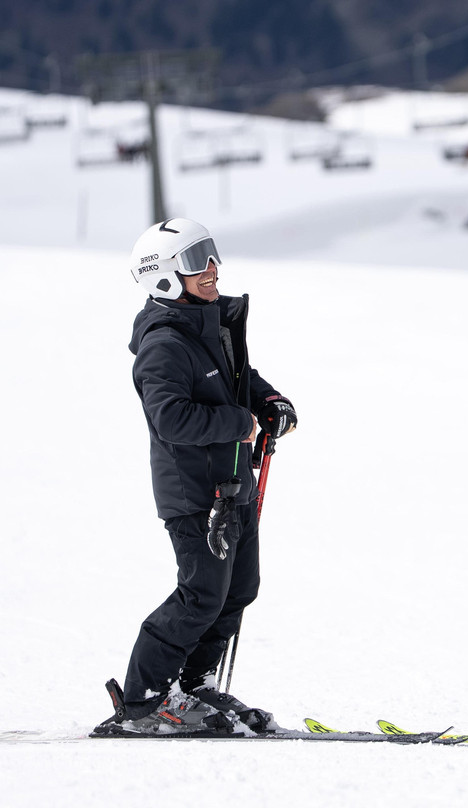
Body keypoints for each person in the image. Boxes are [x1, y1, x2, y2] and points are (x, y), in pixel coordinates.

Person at [95, 218, 297, 736]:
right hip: (195, 492)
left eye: (209, 254)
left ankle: (194, 682)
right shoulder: (163, 343)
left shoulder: (209, 321)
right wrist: (239, 421)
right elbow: (171, 418)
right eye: (194, 260)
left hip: (233, 483)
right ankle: (144, 699)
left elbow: (236, 381)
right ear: (162, 275)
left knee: (238, 588)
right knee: (201, 592)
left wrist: (267, 401)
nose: (210, 269)